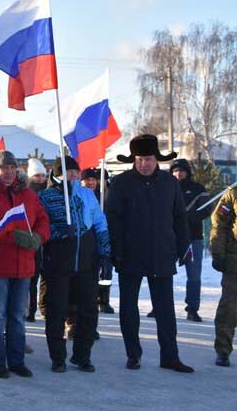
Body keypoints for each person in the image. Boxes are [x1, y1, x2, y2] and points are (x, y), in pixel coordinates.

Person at [105, 134, 193, 373]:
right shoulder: (121, 183)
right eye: (140, 159)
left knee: (165, 309)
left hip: (162, 253)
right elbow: (112, 219)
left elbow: (179, 218)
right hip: (130, 254)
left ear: (157, 160)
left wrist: (184, 247)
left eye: (149, 159)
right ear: (134, 159)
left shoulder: (169, 182)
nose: (144, 163)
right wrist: (116, 251)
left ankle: (170, 357)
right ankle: (133, 355)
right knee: (129, 308)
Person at [0, 150, 50, 379]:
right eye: (3, 168)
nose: (8, 173)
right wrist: (11, 235)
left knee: (17, 317)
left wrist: (38, 237)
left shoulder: (28, 194)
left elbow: (43, 220)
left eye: (12, 168)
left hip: (23, 266)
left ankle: (16, 361)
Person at [38, 156, 111, 373]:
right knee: (57, 311)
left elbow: (99, 222)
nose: (72, 176)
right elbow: (38, 227)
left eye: (75, 172)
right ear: (57, 174)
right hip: (58, 263)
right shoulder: (45, 197)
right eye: (67, 172)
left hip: (86, 263)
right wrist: (58, 232)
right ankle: (58, 357)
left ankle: (82, 356)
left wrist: (105, 253)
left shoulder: (87, 194)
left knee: (89, 311)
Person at [170, 159, 212, 322]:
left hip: (193, 238)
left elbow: (207, 209)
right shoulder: (166, 188)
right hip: (170, 238)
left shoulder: (198, 189)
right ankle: (158, 305)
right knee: (162, 272)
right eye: (175, 171)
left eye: (181, 170)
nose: (178, 173)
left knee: (194, 275)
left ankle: (192, 308)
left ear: (187, 172)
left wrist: (192, 217)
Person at [80, 168, 115, 314]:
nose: (91, 182)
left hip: (103, 237)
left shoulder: (104, 195)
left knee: (106, 272)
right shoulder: (80, 196)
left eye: (93, 179)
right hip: (87, 239)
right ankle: (91, 300)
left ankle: (104, 300)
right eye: (87, 180)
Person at [211, 185, 237, 367]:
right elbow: (219, 222)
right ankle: (223, 350)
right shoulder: (234, 193)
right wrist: (218, 253)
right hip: (235, 261)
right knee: (229, 307)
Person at [26, 157, 48, 322]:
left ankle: (44, 307)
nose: (40, 179)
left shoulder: (48, 193)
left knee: (45, 278)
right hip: (31, 240)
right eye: (37, 176)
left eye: (42, 176)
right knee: (31, 279)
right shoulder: (27, 193)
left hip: (46, 241)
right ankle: (30, 309)